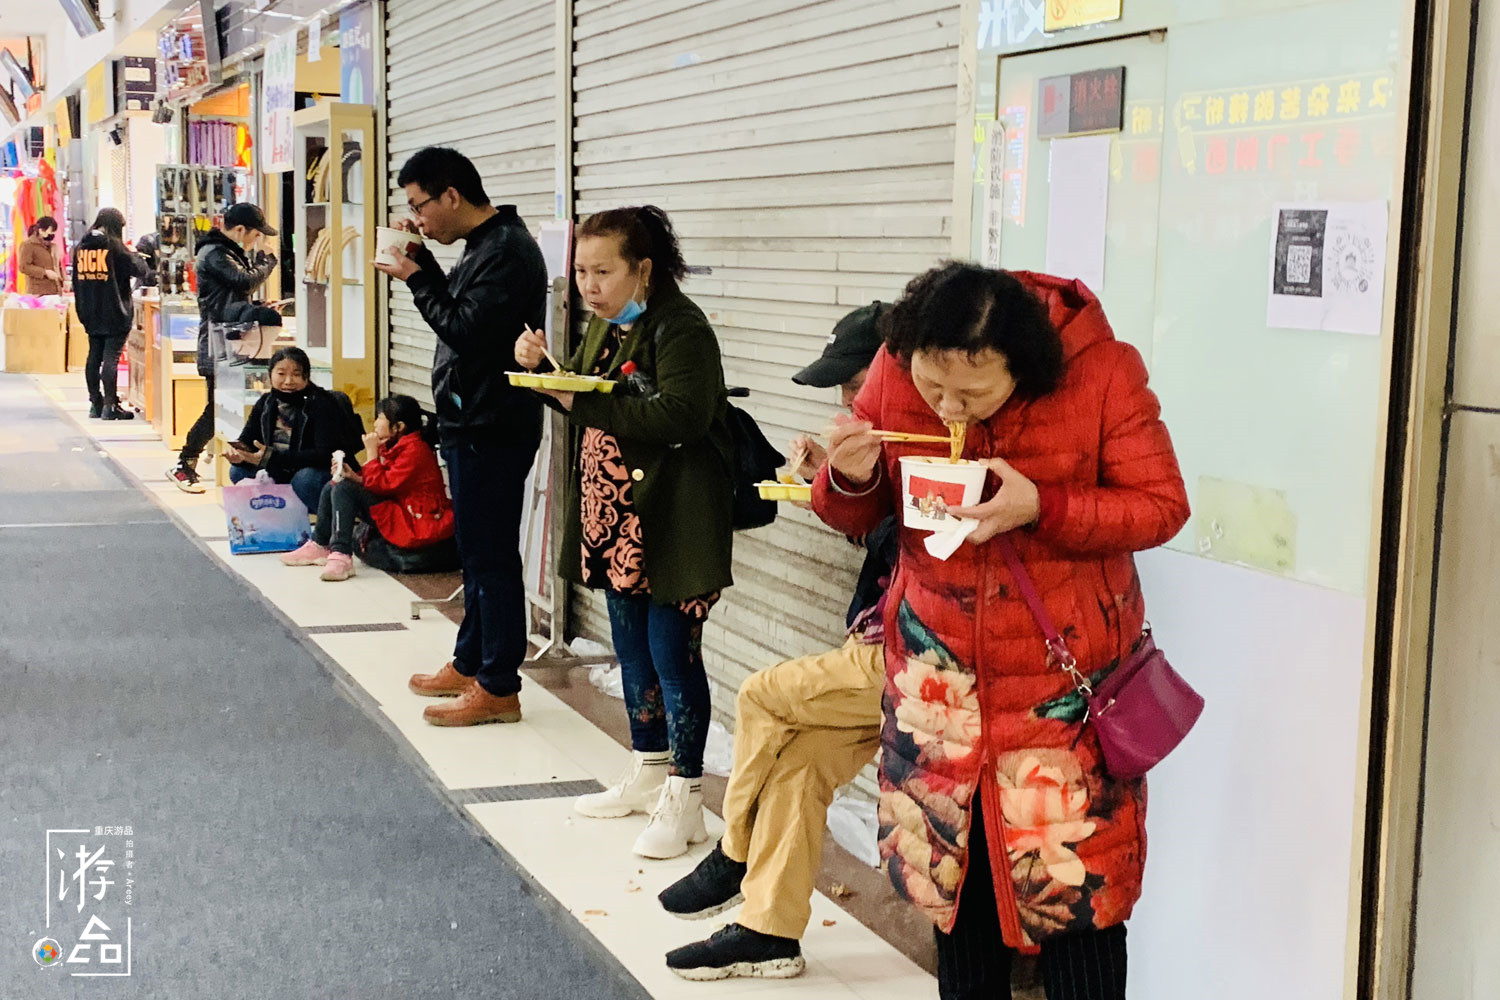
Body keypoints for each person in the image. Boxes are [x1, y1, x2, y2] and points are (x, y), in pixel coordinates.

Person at [813, 265, 1190, 1000]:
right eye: (933, 389)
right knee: (957, 903)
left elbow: (1160, 505)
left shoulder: (1102, 373)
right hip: (939, 695)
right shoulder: (897, 368)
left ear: (1025, 363)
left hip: (1060, 705)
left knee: (1077, 907)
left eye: (973, 393)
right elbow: (857, 514)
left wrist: (1041, 505)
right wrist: (850, 479)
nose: (948, 406)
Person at [657, 303, 895, 981]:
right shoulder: (890, 441)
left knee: (761, 695)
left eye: (859, 382)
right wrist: (837, 476)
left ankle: (733, 851)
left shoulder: (935, 443)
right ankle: (770, 932)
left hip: (909, 659)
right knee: (798, 771)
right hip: (882, 647)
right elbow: (883, 536)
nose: (850, 399)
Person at [514, 205, 734, 861]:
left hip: (670, 522)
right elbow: (588, 391)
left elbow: (683, 415)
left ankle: (687, 795)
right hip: (614, 522)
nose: (588, 285)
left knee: (673, 655)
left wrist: (575, 397)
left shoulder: (680, 328)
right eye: (580, 270)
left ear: (643, 268)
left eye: (602, 270)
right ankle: (646, 768)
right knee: (631, 651)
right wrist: (543, 367)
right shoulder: (606, 327)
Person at [376, 146, 546, 728]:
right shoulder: (485, 246)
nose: (418, 218)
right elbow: (462, 309)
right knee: (476, 551)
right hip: (472, 419)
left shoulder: (508, 251)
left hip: (494, 424)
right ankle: (471, 660)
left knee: (491, 555)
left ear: (452, 195)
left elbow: (465, 330)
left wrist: (416, 274)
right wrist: (421, 257)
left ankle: (499, 684)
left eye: (421, 207)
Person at [167, 202, 280, 493]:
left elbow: (230, 297)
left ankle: (207, 459)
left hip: (230, 340)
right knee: (216, 408)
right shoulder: (215, 253)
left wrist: (253, 308)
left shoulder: (225, 252)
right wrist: (267, 263)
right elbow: (242, 281)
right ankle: (185, 462)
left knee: (225, 406)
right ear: (241, 230)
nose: (257, 241)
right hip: (217, 343)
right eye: (256, 234)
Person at [280, 394, 453, 582]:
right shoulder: (398, 445)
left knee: (345, 489)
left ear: (399, 427)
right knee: (335, 485)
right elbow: (382, 481)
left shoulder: (415, 451)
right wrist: (353, 476)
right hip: (399, 507)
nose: (376, 423)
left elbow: (382, 485)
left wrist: (371, 452)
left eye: (380, 418)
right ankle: (320, 544)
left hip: (415, 519)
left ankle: (341, 554)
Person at [225, 347, 344, 512]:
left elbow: (323, 455)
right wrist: (240, 454)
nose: (288, 381)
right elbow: (248, 438)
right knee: (237, 471)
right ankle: (273, 515)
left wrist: (270, 457)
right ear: (270, 374)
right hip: (277, 468)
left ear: (306, 376)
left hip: (310, 471)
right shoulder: (267, 402)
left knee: (305, 480)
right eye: (281, 374)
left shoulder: (321, 404)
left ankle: (321, 516)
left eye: (296, 374)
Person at [72, 208, 148, 420]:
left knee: (93, 356)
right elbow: (139, 270)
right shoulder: (115, 247)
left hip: (89, 310)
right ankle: (110, 405)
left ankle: (95, 402)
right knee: (111, 358)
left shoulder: (81, 247)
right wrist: (136, 255)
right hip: (114, 311)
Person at [19, 216, 63, 296]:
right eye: (50, 233)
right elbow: (24, 267)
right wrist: (44, 272)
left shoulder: (52, 246)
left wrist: (63, 281)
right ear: (41, 231)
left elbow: (58, 266)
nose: (52, 236)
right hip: (38, 292)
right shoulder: (28, 245)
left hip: (55, 291)